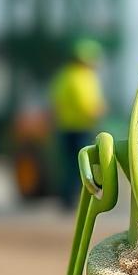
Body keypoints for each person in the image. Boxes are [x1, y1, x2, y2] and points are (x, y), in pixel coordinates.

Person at [50, 39, 106, 208]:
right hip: (80, 127)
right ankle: (75, 199)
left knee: (69, 164)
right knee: (81, 165)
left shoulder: (64, 75)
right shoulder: (82, 77)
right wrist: (96, 111)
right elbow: (86, 103)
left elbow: (56, 100)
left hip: (65, 126)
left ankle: (66, 197)